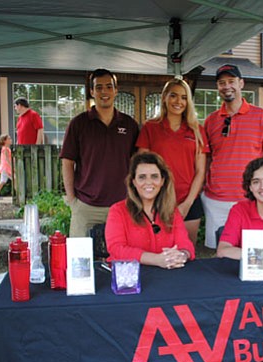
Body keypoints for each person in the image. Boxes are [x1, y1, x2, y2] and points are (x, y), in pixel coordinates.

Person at [202, 64, 263, 249]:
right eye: (221, 83)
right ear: (218, 87)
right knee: (220, 253)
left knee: (252, 252)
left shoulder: (261, 117)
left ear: (241, 83)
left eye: (231, 81)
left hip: (250, 198)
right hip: (216, 199)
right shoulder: (211, 121)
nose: (226, 86)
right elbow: (206, 159)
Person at [60, 68, 140, 237]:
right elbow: (67, 162)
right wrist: (72, 200)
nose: (104, 92)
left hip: (122, 205)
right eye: (99, 87)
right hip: (86, 206)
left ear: (116, 90)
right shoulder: (79, 124)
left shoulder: (129, 125)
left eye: (109, 87)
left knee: (121, 260)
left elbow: (137, 163)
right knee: (80, 260)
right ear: (91, 91)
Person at [137, 78, 209, 243]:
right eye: (173, 96)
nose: (179, 101)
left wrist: (187, 203)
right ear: (164, 98)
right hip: (157, 200)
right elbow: (141, 167)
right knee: (159, 250)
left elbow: (200, 171)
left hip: (188, 200)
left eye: (184, 97)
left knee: (187, 252)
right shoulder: (151, 127)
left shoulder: (197, 130)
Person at [105, 152, 195, 269]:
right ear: (134, 182)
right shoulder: (118, 211)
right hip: (129, 277)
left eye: (154, 176)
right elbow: (116, 249)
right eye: (142, 177)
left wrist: (182, 255)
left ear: (162, 181)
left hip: (165, 274)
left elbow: (185, 244)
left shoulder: (172, 211)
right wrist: (156, 259)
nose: (148, 182)